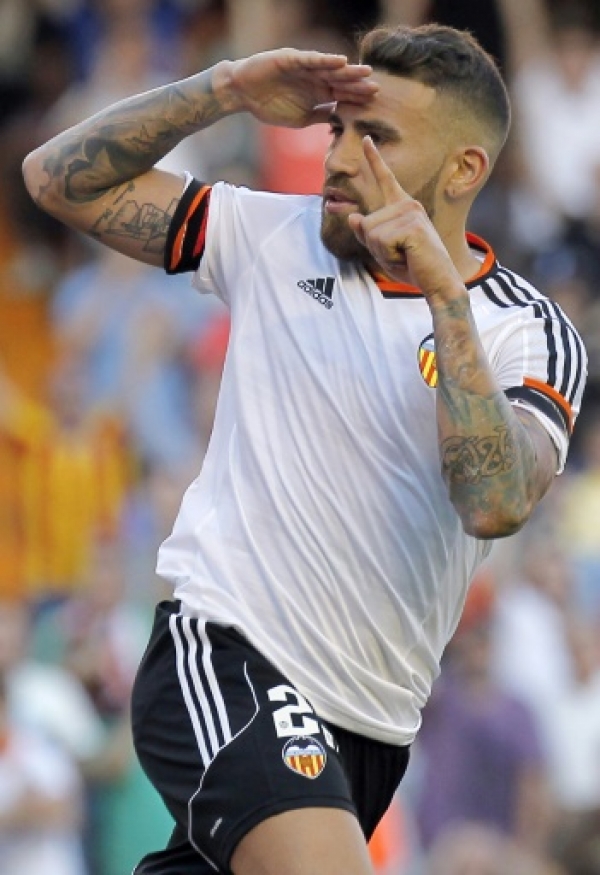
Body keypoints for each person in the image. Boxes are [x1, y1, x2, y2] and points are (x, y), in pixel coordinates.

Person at [22, 23, 587, 875]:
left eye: (379, 137)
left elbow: (495, 500)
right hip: (230, 652)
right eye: (338, 130)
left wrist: (441, 291)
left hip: (370, 727)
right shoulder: (266, 236)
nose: (339, 158)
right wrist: (222, 90)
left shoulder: (527, 330)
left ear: (465, 171)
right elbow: (55, 181)